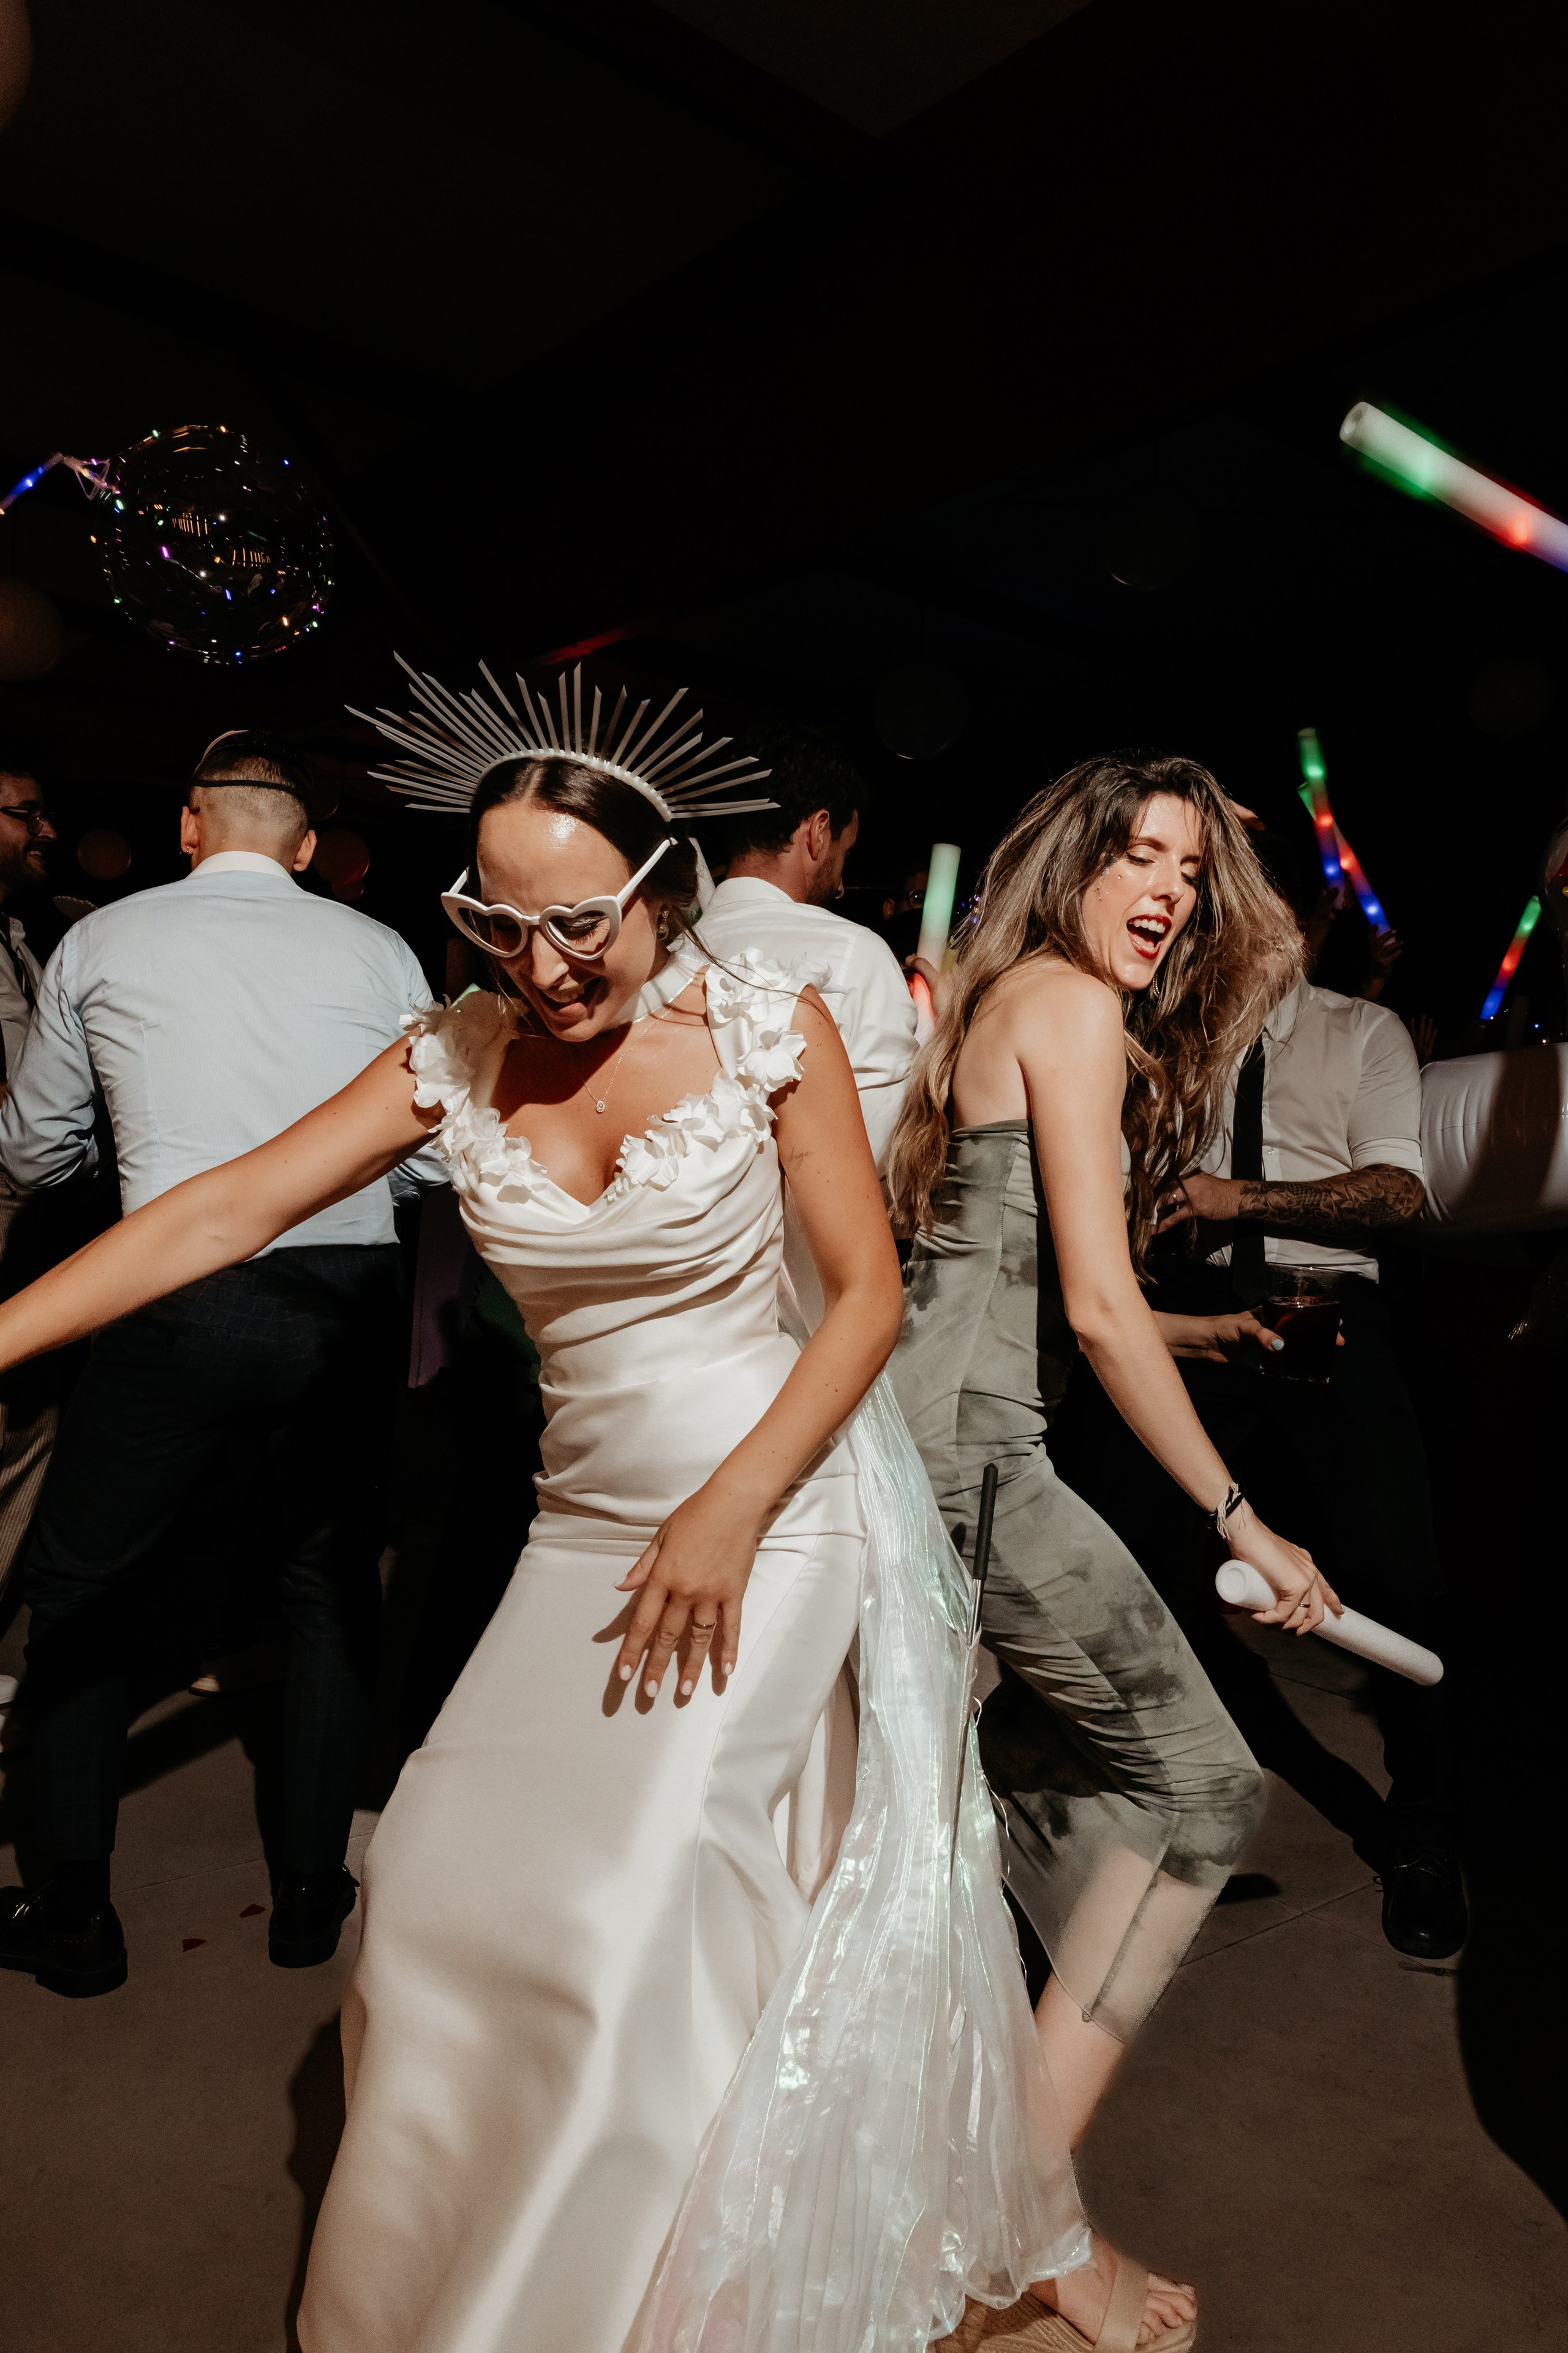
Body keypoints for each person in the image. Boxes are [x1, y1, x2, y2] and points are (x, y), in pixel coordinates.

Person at [0, 669, 1088, 2351]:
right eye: (497, 924)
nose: (545, 966)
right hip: (578, 1532)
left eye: (580, 923)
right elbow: (217, 1211)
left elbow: (865, 1298)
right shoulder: (455, 1051)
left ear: (662, 895)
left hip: (769, 1518)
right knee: (434, 1890)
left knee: (618, 1924)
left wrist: (734, 1507)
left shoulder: (763, 1031)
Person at [890, 755, 1333, 2352]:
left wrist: (1195, 1326)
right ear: (1074, 858)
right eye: (1140, 854)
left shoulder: (1007, 994)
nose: (1169, 891)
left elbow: (1017, 1279)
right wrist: (1243, 1518)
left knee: (1042, 1784)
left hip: (931, 1452)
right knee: (1208, 1790)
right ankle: (1010, 2224)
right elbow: (1080, 1304)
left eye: (1194, 870)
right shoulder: (1071, 1007)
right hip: (977, 1470)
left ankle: (983, 2165)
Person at [0, 729, 442, 1998]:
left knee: (83, 1591)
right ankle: (310, 1892)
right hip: (349, 1294)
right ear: (308, 847)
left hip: (172, 1289)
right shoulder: (380, 949)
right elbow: (428, 1152)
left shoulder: (104, 938)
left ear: (191, 826)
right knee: (325, 1586)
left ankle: (74, 1912)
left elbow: (34, 1154)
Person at [1054, 826, 1462, 1961]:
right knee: (1110, 1552)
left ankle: (1425, 1835)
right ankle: (1111, 1822)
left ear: (1314, 924)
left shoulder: (1360, 1030)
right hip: (1178, 1312)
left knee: (1400, 1577)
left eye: (1276, 910)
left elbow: (1393, 1194)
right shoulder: (1156, 1029)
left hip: (1323, 1309)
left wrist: (1237, 1198)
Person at [696, 723, 917, 1170]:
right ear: (818, 832)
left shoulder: (669, 947)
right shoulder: (854, 953)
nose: (839, 886)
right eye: (845, 853)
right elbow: (869, 1154)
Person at [0, 745, 108, 1603]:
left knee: (28, 1423)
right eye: (24, 814)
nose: (48, 831)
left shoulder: (32, 930)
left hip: (33, 1197)